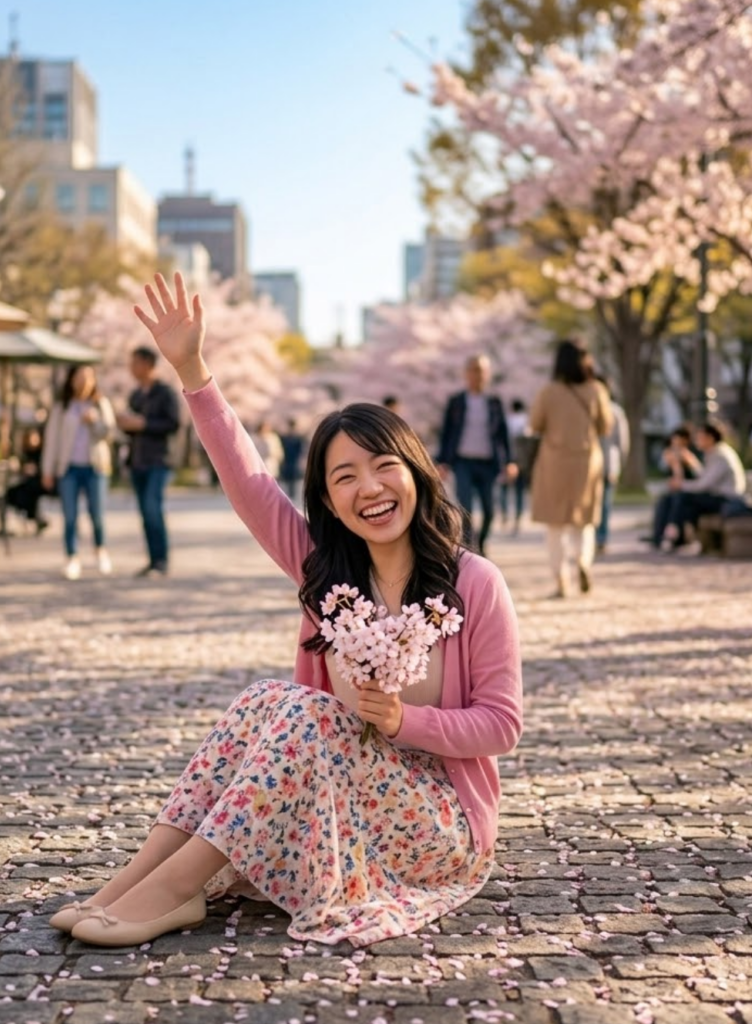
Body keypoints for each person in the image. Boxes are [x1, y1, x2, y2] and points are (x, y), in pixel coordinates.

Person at [48, 273, 522, 950]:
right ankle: (133, 882)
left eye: (383, 466)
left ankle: (173, 889)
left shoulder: (473, 582)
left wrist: (402, 721)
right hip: (346, 806)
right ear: (327, 502)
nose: (369, 488)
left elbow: (501, 725)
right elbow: (248, 483)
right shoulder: (327, 573)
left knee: (305, 713)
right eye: (344, 477)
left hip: (439, 824)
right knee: (265, 699)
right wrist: (193, 371)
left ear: (416, 472)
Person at [528, 339, 613, 597]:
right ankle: (583, 562)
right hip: (586, 461)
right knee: (583, 521)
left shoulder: (548, 392)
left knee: (555, 525)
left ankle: (561, 580)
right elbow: (606, 427)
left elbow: (535, 424)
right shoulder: (596, 390)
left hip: (555, 462)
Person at [436, 354, 517, 555]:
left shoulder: (494, 402)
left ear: (488, 374)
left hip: (488, 463)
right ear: (466, 373)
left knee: (489, 510)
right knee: (466, 508)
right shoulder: (456, 402)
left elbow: (503, 434)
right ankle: (470, 551)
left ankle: (480, 543)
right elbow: (446, 433)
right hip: (463, 462)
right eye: (473, 370)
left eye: (481, 370)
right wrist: (442, 462)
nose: (477, 374)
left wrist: (510, 461)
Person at [41, 366, 116, 580]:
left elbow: (110, 434)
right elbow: (52, 441)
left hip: (96, 467)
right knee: (70, 516)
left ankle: (101, 551)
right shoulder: (62, 407)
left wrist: (95, 421)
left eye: (88, 378)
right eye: (79, 377)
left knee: (97, 514)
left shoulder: (101, 404)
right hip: (69, 468)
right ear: (71, 380)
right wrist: (47, 470)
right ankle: (72, 557)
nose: (84, 382)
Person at [115, 346, 181, 577]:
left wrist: (144, 424)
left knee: (153, 508)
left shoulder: (165, 393)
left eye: (135, 363)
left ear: (147, 364)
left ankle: (161, 561)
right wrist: (126, 424)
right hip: (137, 460)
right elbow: (132, 428)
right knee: (145, 512)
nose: (131, 368)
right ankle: (153, 560)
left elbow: (173, 424)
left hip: (158, 460)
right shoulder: (135, 395)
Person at [661, 419, 747, 551]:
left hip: (728, 500)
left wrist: (680, 484)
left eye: (700, 437)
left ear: (710, 438)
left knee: (682, 498)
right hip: (718, 497)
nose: (696, 440)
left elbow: (704, 485)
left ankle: (672, 537)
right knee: (671, 499)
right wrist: (691, 463)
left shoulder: (720, 455)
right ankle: (671, 537)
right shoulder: (713, 453)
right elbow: (704, 478)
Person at [641, 425, 699, 548]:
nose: (675, 444)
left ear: (685, 441)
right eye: (674, 441)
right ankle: (658, 537)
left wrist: (677, 463)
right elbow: (669, 477)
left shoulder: (690, 457)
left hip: (689, 492)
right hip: (676, 491)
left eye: (679, 441)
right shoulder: (668, 455)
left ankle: (673, 534)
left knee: (677, 500)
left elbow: (694, 476)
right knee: (663, 501)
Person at [594, 376, 631, 555]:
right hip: (609, 463)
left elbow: (622, 442)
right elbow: (622, 442)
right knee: (604, 504)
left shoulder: (609, 411)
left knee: (598, 503)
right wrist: (620, 463)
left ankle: (598, 538)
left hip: (601, 464)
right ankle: (600, 539)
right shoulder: (615, 411)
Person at [499, 399, 529, 536]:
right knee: (519, 492)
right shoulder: (526, 422)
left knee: (504, 489)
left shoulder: (507, 420)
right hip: (522, 461)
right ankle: (518, 518)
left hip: (506, 460)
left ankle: (504, 514)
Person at [278, 418, 305, 500]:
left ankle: (292, 494)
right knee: (287, 478)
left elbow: (300, 450)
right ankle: (289, 494)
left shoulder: (297, 438)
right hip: (287, 459)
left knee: (293, 477)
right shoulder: (285, 437)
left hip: (294, 460)